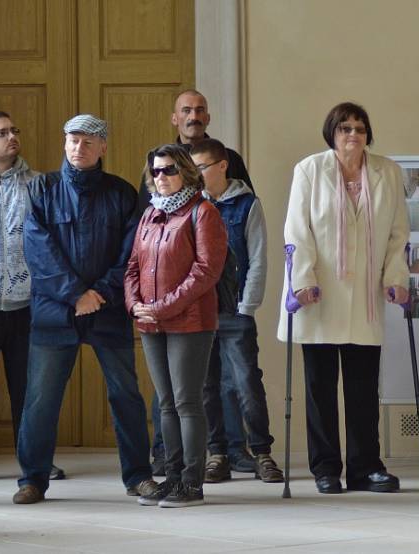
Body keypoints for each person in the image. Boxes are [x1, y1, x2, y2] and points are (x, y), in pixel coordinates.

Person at [12, 114, 156, 504]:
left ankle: (138, 475)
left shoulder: (123, 193)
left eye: (89, 142)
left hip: (107, 310)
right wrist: (75, 293)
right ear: (64, 143)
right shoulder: (43, 188)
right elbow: (37, 250)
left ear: (103, 148)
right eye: (74, 140)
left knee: (126, 394)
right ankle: (32, 480)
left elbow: (132, 255)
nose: (80, 148)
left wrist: (99, 293)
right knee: (40, 399)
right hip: (54, 310)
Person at [277, 101, 409, 494]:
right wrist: (302, 279)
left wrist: (396, 277)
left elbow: (398, 234)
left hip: (365, 295)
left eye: (360, 128)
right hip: (319, 293)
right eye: (345, 128)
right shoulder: (310, 170)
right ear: (332, 133)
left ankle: (366, 467)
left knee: (363, 386)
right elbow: (296, 230)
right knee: (319, 388)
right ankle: (325, 469)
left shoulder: (388, 171)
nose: (353, 135)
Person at [143, 89, 255, 477]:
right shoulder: (158, 173)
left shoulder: (214, 192)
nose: (194, 115)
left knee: (222, 381)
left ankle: (225, 454)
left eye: (200, 109)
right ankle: (166, 458)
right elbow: (139, 252)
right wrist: (138, 300)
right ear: (175, 118)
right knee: (170, 393)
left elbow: (240, 222)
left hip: (209, 297)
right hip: (158, 306)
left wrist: (242, 292)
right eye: (186, 110)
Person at [0, 111, 63, 483]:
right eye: (1, 132)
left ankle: (36, 462)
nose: (11, 136)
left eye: (13, 130)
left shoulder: (39, 185)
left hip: (28, 303)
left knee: (32, 389)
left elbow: (54, 240)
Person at [125, 144, 227, 507]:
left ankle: (192, 483)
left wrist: (161, 308)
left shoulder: (203, 212)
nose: (161, 178)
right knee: (165, 403)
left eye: (168, 170)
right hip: (152, 322)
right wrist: (136, 305)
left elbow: (205, 272)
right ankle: (171, 477)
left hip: (190, 322)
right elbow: (133, 266)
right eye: (155, 171)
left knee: (187, 402)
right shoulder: (149, 214)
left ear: (185, 170)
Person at [190, 139, 284, 484]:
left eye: (201, 167)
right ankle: (217, 454)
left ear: (222, 165)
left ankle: (262, 452)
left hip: (235, 312)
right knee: (206, 386)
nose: (196, 174)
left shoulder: (246, 204)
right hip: (198, 312)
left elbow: (258, 258)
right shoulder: (191, 205)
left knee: (246, 383)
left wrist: (247, 306)